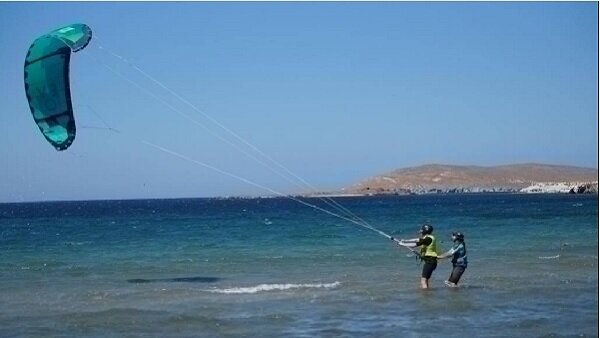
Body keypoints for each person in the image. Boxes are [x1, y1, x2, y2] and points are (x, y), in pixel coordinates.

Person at [398, 224, 439, 289]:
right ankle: (428, 294)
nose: (420, 231)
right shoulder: (428, 238)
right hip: (431, 261)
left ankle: (425, 294)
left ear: (424, 231)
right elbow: (417, 240)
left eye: (422, 230)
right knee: (425, 280)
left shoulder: (428, 239)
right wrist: (405, 240)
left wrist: (402, 244)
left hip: (430, 262)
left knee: (423, 280)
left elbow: (415, 244)